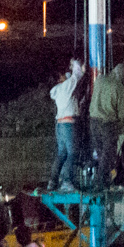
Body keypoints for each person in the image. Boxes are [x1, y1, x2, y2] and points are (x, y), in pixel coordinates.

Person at [47, 58, 87, 191]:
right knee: (72, 153)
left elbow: (72, 80)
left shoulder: (58, 90)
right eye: (63, 75)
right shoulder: (65, 87)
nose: (65, 75)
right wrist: (76, 64)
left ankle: (52, 181)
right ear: (59, 78)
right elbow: (76, 76)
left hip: (60, 125)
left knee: (61, 154)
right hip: (69, 125)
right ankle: (67, 181)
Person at [89, 63, 124, 186]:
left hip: (93, 121)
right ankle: (102, 182)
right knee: (108, 155)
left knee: (101, 154)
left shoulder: (99, 80)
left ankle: (102, 180)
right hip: (108, 124)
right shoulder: (121, 89)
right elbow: (122, 115)